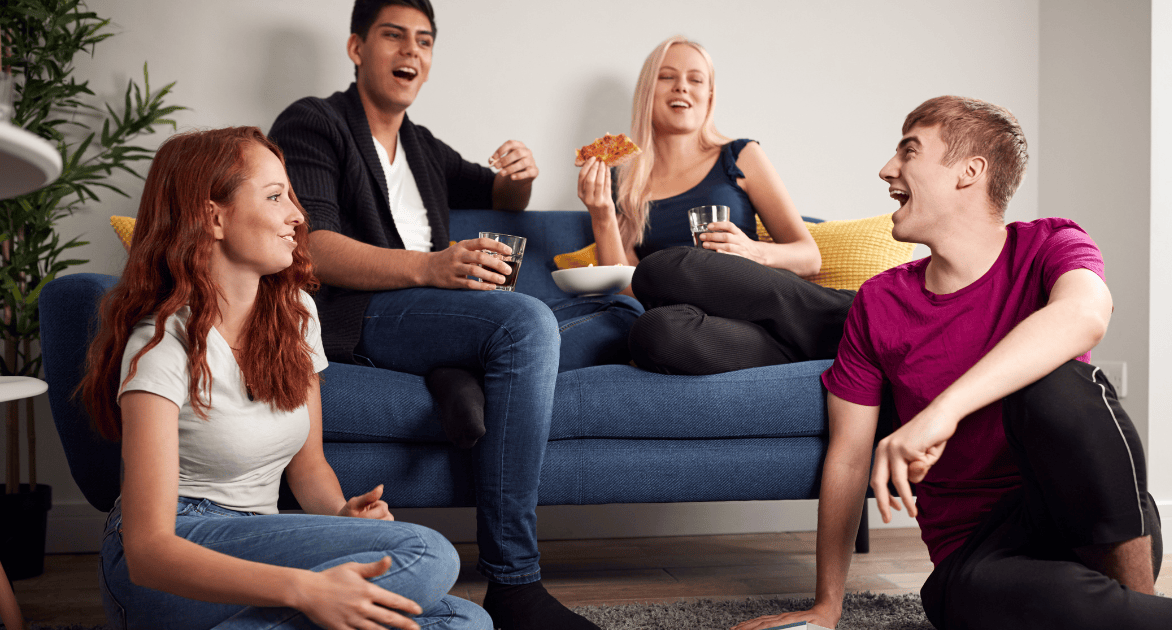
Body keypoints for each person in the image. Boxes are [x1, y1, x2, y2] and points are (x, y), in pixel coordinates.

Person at [734, 96, 1172, 630]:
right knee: (980, 597)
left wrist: (941, 412)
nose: (887, 169)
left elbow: (1085, 314)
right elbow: (847, 457)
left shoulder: (1050, 244)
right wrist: (827, 606)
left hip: (1092, 528)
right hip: (977, 557)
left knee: (1059, 384)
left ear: (969, 172)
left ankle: (1132, 603)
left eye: (909, 151)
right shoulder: (880, 302)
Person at [268, 2, 613, 628]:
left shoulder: (421, 147)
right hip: (358, 312)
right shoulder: (314, 124)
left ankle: (459, 372)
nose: (411, 52)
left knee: (609, 307)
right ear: (356, 48)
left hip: (427, 313)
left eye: (424, 41)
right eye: (394, 36)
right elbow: (309, 247)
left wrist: (520, 178)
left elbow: (496, 193)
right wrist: (431, 267)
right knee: (526, 324)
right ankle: (514, 583)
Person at [77, 127, 489, 630]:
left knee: (465, 621)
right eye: (275, 197)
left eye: (291, 196)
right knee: (429, 555)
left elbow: (309, 466)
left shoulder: (296, 315)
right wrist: (306, 588)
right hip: (169, 566)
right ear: (214, 217)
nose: (297, 215)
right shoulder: (162, 344)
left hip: (261, 540)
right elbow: (148, 551)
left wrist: (342, 518)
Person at [576, 36, 855, 376]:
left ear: (709, 95)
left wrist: (752, 252)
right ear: (648, 90)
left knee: (664, 268)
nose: (681, 87)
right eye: (667, 77)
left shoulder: (739, 156)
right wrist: (601, 213)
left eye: (695, 79)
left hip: (760, 295)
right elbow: (630, 289)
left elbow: (809, 258)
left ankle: (848, 318)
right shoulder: (623, 181)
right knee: (653, 333)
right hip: (720, 328)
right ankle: (808, 354)